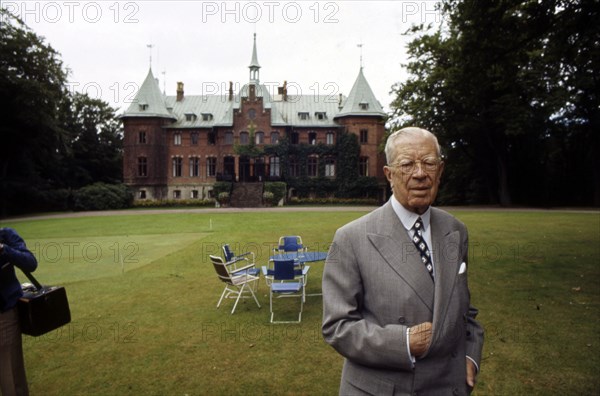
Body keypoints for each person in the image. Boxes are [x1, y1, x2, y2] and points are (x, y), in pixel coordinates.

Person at [322, 127, 484, 395]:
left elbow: (464, 311)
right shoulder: (351, 237)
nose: (420, 174)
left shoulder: (456, 230)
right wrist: (404, 342)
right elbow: (337, 326)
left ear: (440, 171)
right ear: (389, 174)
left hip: (449, 386)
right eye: (407, 164)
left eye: (429, 163)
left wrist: (471, 357)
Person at [0, 227, 37, 396]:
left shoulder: (5, 235)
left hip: (4, 318)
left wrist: (4, 249)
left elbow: (30, 263)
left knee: (11, 380)